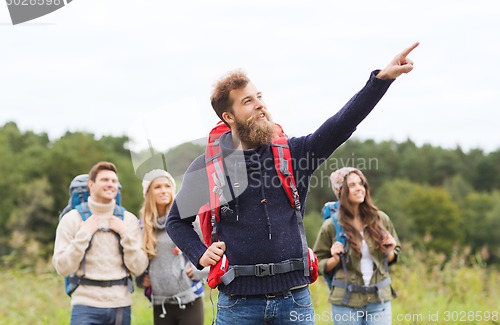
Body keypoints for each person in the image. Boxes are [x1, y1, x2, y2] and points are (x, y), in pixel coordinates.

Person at [166, 42, 418, 324]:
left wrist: (381, 81)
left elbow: (341, 125)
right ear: (229, 116)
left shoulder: (294, 154)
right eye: (247, 101)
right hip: (237, 305)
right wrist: (200, 254)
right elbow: (175, 222)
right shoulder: (208, 168)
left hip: (294, 301)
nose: (260, 103)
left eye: (259, 96)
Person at [53, 161, 149, 325]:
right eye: (105, 180)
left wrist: (125, 233)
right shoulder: (72, 219)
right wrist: (84, 234)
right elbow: (62, 267)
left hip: (120, 305)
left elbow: (139, 267)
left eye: (113, 181)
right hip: (85, 305)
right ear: (91, 184)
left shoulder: (128, 220)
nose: (110, 184)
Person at [313, 167, 401, 325]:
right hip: (345, 303)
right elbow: (316, 263)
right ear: (341, 191)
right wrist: (334, 259)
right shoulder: (331, 226)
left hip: (379, 301)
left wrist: (390, 251)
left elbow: (393, 256)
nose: (359, 188)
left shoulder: (381, 219)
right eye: (352, 185)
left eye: (361, 183)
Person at [136, 169, 208, 325]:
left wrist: (199, 270)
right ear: (148, 193)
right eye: (158, 187)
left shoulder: (185, 219)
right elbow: (137, 260)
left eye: (168, 186)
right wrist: (141, 278)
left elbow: (207, 247)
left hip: (190, 299)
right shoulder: (142, 226)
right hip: (160, 304)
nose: (164, 191)